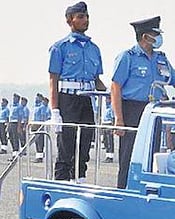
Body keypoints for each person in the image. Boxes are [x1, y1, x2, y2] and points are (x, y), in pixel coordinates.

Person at [111, 16, 175, 188]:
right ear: (145, 36)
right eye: (155, 34)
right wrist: (119, 119)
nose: (159, 38)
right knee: (129, 155)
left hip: (154, 110)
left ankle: (144, 189)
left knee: (150, 153)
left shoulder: (161, 58)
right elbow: (115, 87)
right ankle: (124, 189)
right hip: (132, 109)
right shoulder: (128, 57)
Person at [48, 1, 107, 182]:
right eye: (81, 17)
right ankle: (61, 183)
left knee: (84, 145)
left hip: (87, 101)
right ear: (69, 21)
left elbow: (97, 81)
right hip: (68, 100)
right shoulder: (60, 47)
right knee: (66, 147)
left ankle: (80, 180)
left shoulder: (94, 49)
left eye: (87, 16)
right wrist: (55, 111)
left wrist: (114, 96)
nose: (85, 20)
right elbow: (53, 80)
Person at [31, 93, 52, 163]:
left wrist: (42, 126)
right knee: (36, 141)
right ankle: (38, 156)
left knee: (40, 141)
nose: (36, 99)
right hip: (35, 124)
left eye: (38, 98)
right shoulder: (35, 106)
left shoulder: (42, 107)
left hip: (39, 125)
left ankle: (40, 157)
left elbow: (43, 117)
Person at [7, 93, 23, 161]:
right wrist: (8, 125)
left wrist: (19, 127)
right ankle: (14, 153)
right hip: (10, 123)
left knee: (15, 138)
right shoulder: (11, 105)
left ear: (18, 99)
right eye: (13, 98)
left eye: (15, 98)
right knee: (11, 138)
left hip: (15, 123)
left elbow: (20, 117)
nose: (13, 99)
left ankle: (16, 154)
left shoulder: (19, 107)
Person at [102, 95, 115, 163]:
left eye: (109, 98)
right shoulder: (105, 106)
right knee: (105, 140)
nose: (107, 100)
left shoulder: (112, 106)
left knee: (109, 140)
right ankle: (107, 154)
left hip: (109, 123)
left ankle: (110, 156)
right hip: (104, 122)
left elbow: (113, 116)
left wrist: (113, 126)